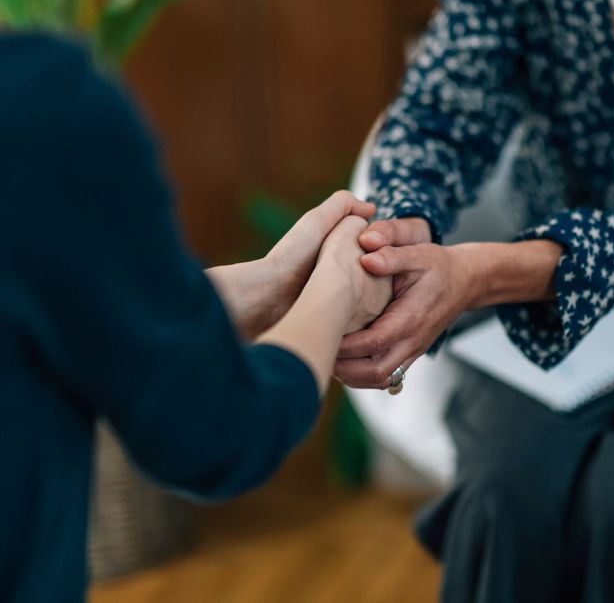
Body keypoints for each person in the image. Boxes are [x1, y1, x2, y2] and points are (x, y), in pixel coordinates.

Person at [333, 0, 614, 600]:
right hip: (558, 313)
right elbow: (443, 109)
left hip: (557, 282)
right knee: (504, 494)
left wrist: (488, 275)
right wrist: (405, 228)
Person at [0, 31, 392, 602]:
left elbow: (58, 309)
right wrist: (335, 290)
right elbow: (221, 433)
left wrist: (272, 279)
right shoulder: (40, 109)